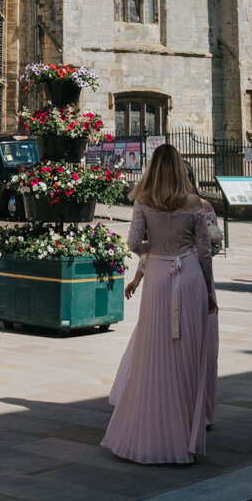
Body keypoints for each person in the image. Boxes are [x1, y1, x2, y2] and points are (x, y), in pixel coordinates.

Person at [101, 144, 218, 466]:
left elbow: (134, 244)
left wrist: (160, 246)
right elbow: (205, 252)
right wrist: (210, 291)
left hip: (157, 277)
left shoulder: (144, 201)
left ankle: (153, 428)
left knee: (154, 351)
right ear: (180, 168)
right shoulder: (195, 202)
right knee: (189, 355)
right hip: (190, 274)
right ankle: (187, 433)